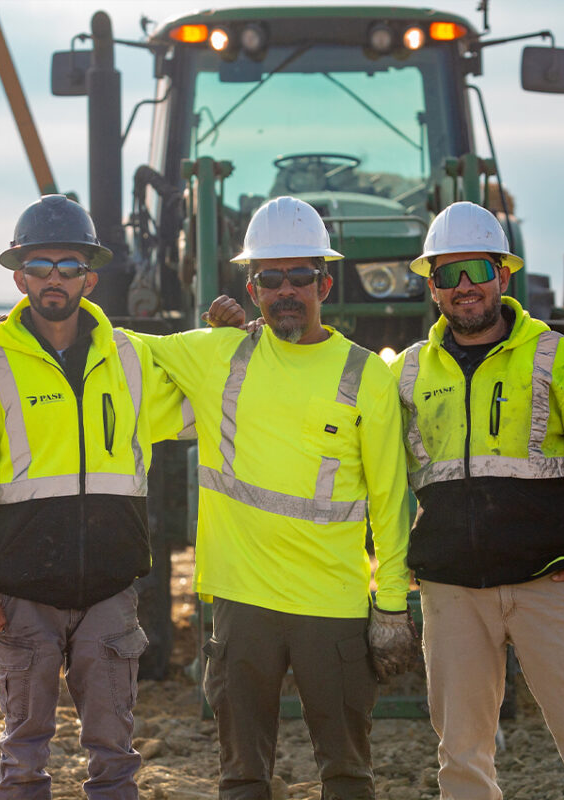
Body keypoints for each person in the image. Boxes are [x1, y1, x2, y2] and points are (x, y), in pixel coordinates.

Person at [136, 196, 418, 800]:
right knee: (241, 777)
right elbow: (120, 347)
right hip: (243, 603)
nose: (287, 290)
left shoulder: (366, 374)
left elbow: (392, 502)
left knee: (346, 773)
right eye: (271, 277)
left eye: (300, 277)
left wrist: (391, 605)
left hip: (334, 605)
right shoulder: (218, 353)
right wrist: (18, 331)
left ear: (325, 282)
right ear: (252, 285)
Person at [390, 201, 564, 800]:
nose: (464, 287)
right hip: (453, 594)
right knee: (461, 755)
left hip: (552, 585)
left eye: (476, 269)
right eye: (447, 274)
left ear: (503, 276)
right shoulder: (404, 375)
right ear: (432, 287)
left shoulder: (562, 359)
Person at [0, 194, 189, 800]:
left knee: (115, 758)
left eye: (69, 267)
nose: (56, 278)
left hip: (110, 586)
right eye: (42, 266)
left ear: (90, 278)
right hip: (23, 592)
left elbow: (194, 403)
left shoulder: (129, 359)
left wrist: (239, 338)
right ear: (20, 276)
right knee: (23, 756)